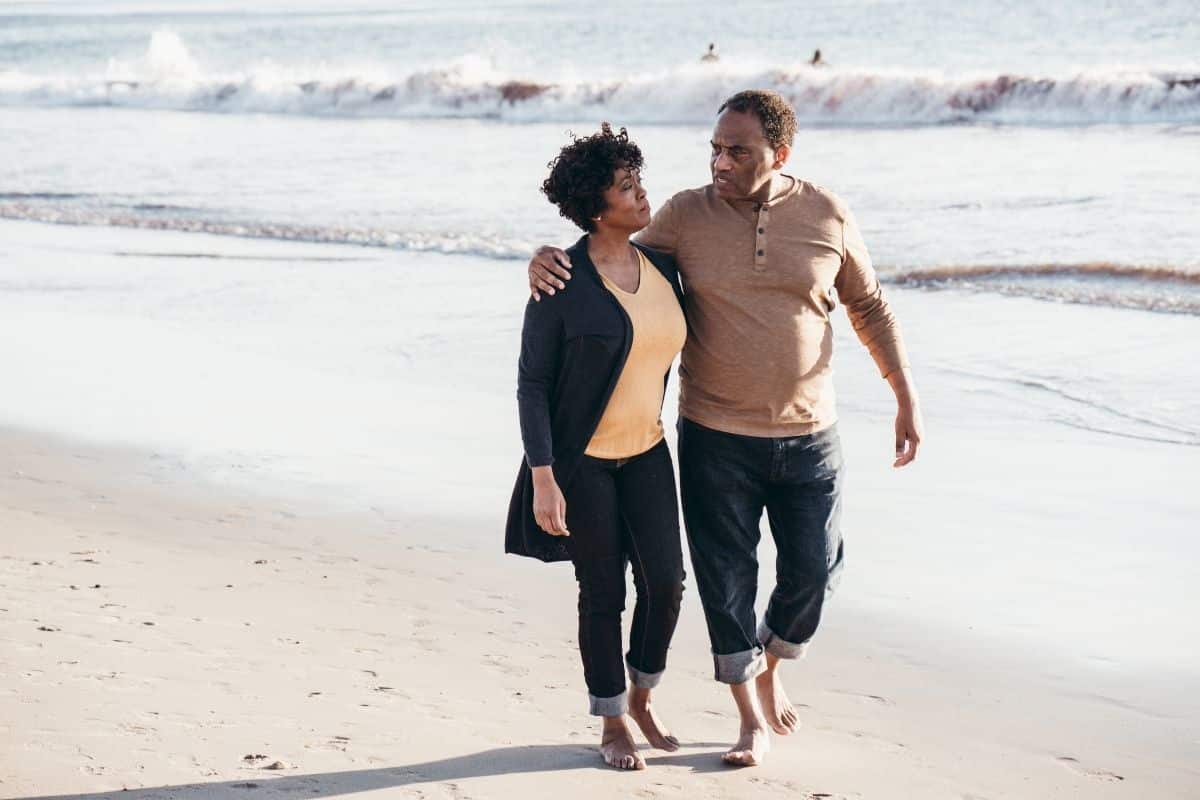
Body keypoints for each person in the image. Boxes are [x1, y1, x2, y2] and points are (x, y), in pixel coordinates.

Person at [527, 90, 924, 767]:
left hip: (812, 434)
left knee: (813, 573)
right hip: (713, 435)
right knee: (722, 581)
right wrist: (545, 258)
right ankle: (744, 719)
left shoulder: (826, 213)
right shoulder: (684, 215)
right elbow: (607, 253)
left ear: (780, 155)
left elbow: (868, 306)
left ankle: (771, 664)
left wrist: (903, 395)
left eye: (737, 151)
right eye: (714, 148)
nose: (720, 161)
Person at [505, 123, 689, 771]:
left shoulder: (664, 265)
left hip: (647, 451)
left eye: (640, 181)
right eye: (627, 187)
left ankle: (642, 693)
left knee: (667, 581)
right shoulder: (561, 282)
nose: (643, 196)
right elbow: (531, 385)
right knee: (602, 591)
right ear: (594, 209)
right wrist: (543, 476)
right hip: (583, 465)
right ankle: (611, 720)